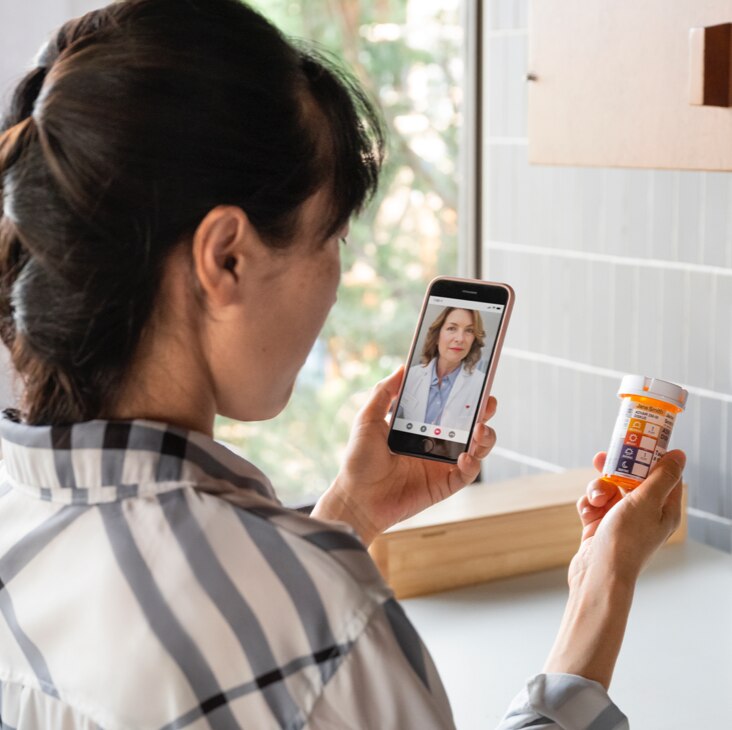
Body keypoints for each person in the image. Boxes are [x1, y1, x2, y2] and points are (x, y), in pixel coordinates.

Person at [0, 1, 685, 728]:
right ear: (226, 257)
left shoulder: (19, 517)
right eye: (331, 238)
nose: (335, 279)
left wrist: (347, 516)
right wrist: (600, 587)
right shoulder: (327, 627)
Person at [399, 307, 486, 431]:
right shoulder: (411, 375)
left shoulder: (481, 384)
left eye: (469, 330)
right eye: (452, 328)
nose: (460, 338)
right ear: (437, 336)